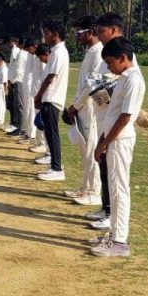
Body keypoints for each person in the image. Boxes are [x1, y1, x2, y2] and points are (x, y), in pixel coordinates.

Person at [88, 12, 144, 232]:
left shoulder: (131, 74)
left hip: (119, 137)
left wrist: (104, 141)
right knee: (113, 184)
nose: (109, 67)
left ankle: (119, 237)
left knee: (119, 188)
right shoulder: (123, 74)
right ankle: (113, 229)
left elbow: (125, 115)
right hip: (110, 132)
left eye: (111, 63)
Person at [64, 18, 103, 206]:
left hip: (89, 108)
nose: (76, 36)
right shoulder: (90, 52)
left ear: (90, 32)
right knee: (84, 149)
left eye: (79, 33)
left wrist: (75, 105)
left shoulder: (99, 53)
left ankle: (94, 191)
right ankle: (85, 187)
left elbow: (92, 85)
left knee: (91, 149)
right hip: (82, 107)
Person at [34, 21, 69, 182]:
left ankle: (57, 168)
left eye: (47, 33)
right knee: (49, 133)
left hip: (52, 97)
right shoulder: (56, 51)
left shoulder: (59, 52)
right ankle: (54, 166)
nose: (45, 36)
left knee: (52, 133)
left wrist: (39, 96)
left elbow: (50, 77)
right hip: (50, 97)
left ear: (55, 34)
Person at [18, 35, 39, 144]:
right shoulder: (31, 55)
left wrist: (31, 88)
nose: (28, 52)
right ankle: (27, 132)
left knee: (31, 112)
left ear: (34, 46)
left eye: (29, 49)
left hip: (32, 88)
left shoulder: (38, 56)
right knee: (27, 111)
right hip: (27, 86)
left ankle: (31, 135)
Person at [5, 35, 27, 135]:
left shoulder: (19, 53)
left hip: (18, 81)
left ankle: (20, 127)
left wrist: (11, 81)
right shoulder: (20, 53)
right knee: (17, 104)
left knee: (19, 105)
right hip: (17, 80)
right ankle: (19, 126)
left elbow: (17, 69)